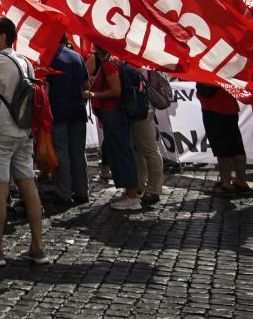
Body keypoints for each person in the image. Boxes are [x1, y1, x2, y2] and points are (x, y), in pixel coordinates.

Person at [0, 17, 48, 266]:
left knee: (0, 190)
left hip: (0, 131)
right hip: (23, 132)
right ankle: (38, 247)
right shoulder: (26, 63)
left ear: (2, 36)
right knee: (28, 187)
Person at [85, 48, 141, 210]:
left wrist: (94, 95)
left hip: (114, 114)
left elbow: (116, 91)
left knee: (122, 152)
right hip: (113, 114)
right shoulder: (111, 62)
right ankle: (130, 193)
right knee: (120, 152)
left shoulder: (109, 65)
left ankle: (132, 197)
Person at [46, 41, 89, 207]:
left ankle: (64, 193)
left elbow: (47, 89)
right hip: (78, 110)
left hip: (58, 111)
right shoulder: (78, 57)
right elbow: (86, 86)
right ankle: (82, 191)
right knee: (78, 152)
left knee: (61, 151)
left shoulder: (49, 58)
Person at [197, 83, 252, 196]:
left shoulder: (210, 69)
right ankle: (241, 181)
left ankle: (225, 184)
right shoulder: (228, 67)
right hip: (230, 109)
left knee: (222, 149)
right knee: (237, 147)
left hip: (214, 109)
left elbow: (205, 91)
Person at [131, 71, 166, 206]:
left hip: (143, 112)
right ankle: (140, 185)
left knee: (150, 151)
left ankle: (154, 189)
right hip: (138, 112)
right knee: (138, 151)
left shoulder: (141, 66)